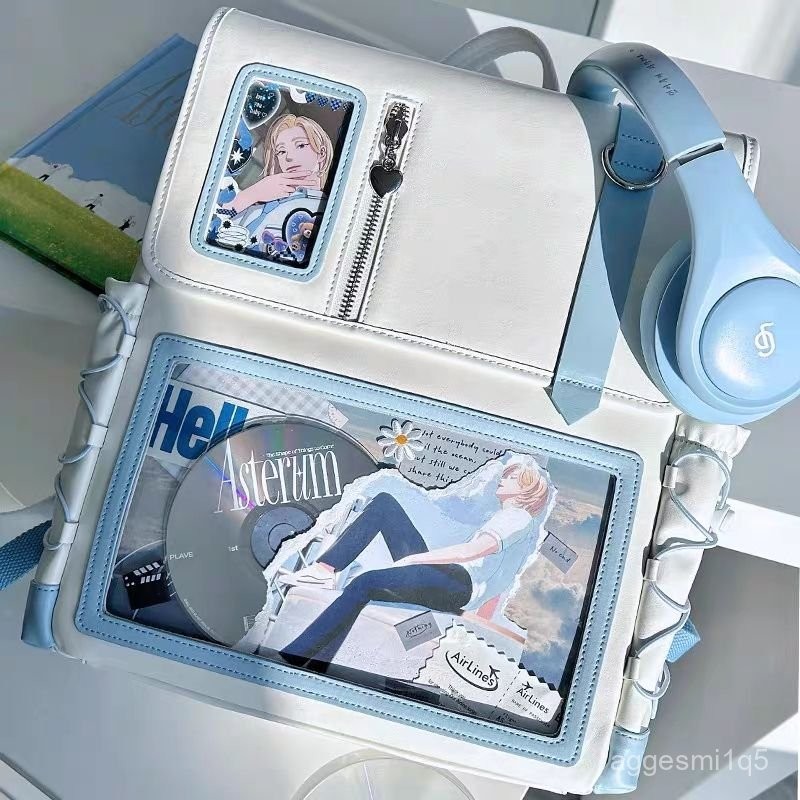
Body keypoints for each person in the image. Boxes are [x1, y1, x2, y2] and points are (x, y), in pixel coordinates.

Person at [279, 459, 551, 668]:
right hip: (451, 582)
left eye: (512, 478)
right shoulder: (514, 522)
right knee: (385, 506)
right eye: (505, 475)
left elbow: (470, 552)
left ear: (527, 490)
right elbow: (498, 579)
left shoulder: (517, 517)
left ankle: (294, 657)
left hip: (456, 583)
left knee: (365, 582)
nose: (503, 479)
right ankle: (325, 576)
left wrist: (415, 558)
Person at [213, 114, 332, 259]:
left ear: (321, 153)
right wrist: (253, 194)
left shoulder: (327, 212)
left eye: (300, 145)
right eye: (281, 151)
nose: (289, 157)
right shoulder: (264, 201)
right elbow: (214, 222)